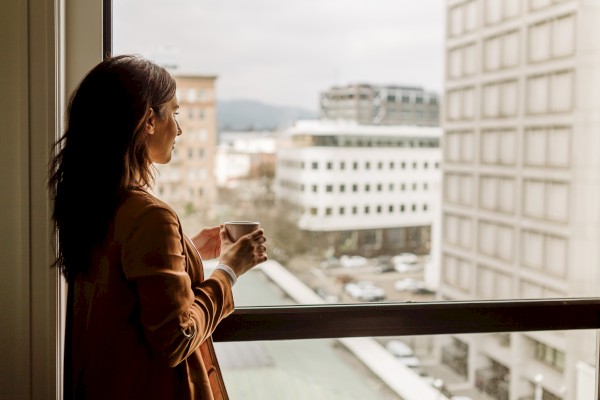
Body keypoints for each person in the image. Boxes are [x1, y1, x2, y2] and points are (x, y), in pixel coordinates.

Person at [49, 54, 267, 400]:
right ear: (149, 119)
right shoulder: (149, 215)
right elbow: (175, 339)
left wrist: (189, 250)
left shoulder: (93, 202)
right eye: (175, 113)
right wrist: (230, 270)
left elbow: (124, 287)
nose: (179, 129)